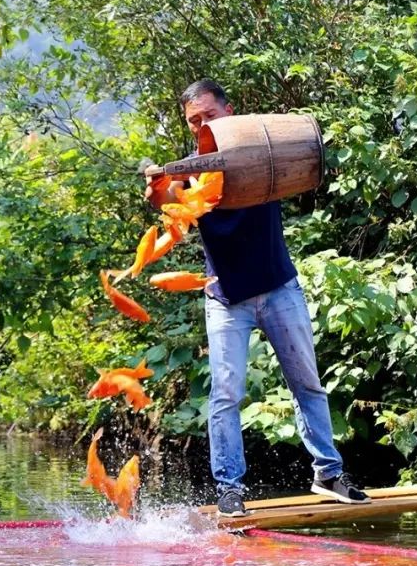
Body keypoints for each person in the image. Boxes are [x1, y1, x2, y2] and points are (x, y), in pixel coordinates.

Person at [144, 79, 370, 517]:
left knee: (307, 383)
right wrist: (156, 185)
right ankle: (229, 488)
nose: (202, 125)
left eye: (209, 115)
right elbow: (166, 199)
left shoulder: (259, 151)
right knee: (226, 394)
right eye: (194, 122)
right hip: (226, 297)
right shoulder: (191, 170)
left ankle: (328, 473)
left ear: (230, 112)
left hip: (279, 286)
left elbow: (304, 155)